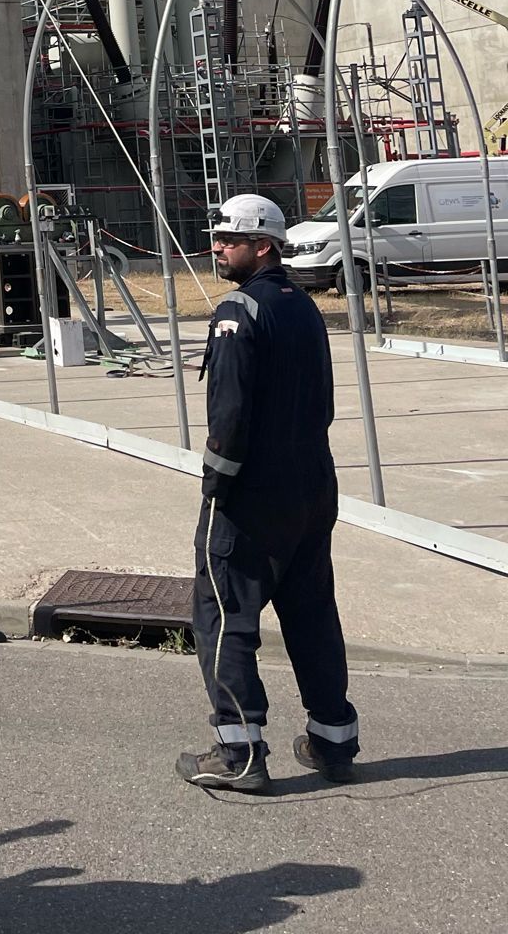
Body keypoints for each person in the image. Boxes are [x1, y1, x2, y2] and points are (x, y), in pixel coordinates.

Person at [176, 193, 359, 795]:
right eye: (217, 235)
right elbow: (323, 403)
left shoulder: (238, 310)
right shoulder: (303, 306)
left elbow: (229, 414)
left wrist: (216, 490)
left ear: (264, 246)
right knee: (310, 614)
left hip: (252, 497)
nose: (217, 246)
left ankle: (239, 752)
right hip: (311, 487)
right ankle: (333, 740)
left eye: (229, 239)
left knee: (224, 616)